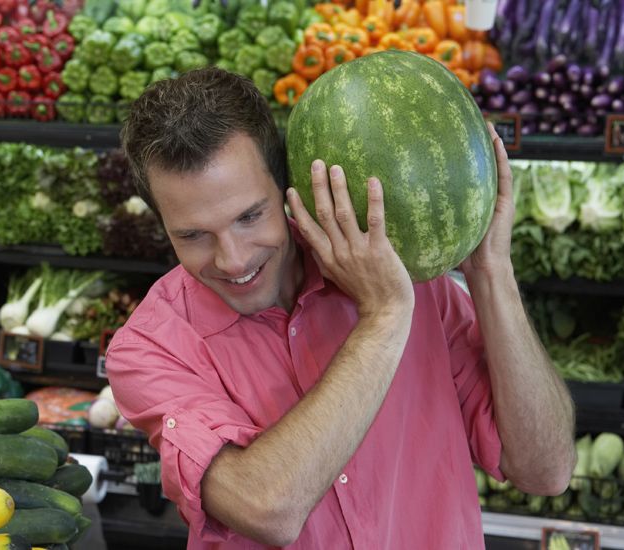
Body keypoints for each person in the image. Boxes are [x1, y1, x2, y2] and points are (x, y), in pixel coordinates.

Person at [105, 67, 576, 549]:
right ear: (162, 224)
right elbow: (265, 507)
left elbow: (546, 470)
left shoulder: (407, 273)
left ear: (287, 187)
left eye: (251, 216)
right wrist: (383, 318)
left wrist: (491, 271)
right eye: (193, 235)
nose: (234, 259)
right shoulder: (150, 348)